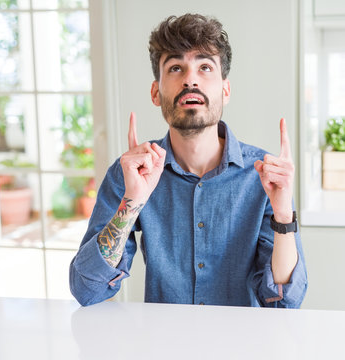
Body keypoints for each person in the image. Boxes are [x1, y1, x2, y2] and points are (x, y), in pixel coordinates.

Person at [69, 13, 307, 307]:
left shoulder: (265, 178)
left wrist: (283, 214)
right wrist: (131, 202)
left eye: (205, 67)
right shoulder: (131, 172)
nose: (190, 79)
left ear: (225, 89)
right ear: (156, 92)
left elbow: (285, 303)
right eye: (176, 68)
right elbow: (86, 289)